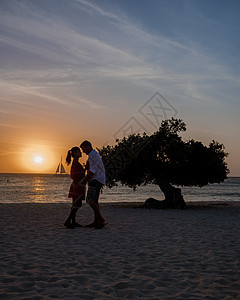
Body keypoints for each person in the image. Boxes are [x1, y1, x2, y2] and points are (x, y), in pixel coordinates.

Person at [80, 140, 107, 229]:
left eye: (83, 149)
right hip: (98, 179)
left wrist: (83, 181)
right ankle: (96, 221)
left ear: (88, 147)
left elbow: (92, 171)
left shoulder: (93, 156)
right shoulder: (93, 155)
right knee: (94, 201)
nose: (83, 151)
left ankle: (101, 219)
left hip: (96, 180)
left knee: (90, 200)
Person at [64, 147, 86, 229]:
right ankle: (68, 221)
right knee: (77, 204)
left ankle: (73, 221)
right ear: (75, 153)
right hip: (78, 186)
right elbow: (74, 175)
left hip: (76, 185)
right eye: (79, 152)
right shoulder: (76, 163)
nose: (81, 153)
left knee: (75, 203)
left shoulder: (76, 162)